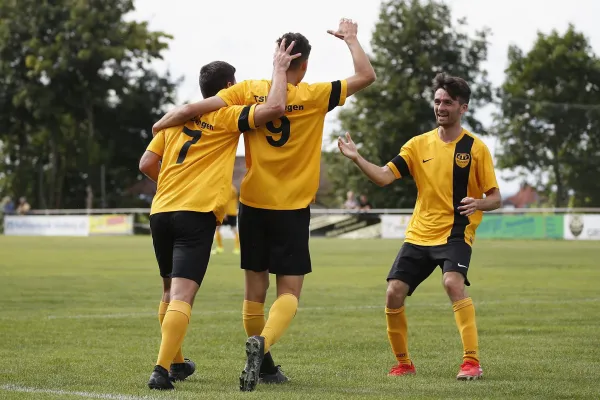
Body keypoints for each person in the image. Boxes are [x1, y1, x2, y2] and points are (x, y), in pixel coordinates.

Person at [152, 18, 376, 392]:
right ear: (304, 65)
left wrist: (165, 121)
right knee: (288, 292)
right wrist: (351, 40)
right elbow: (366, 75)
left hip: (252, 204)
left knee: (253, 294)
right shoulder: (317, 94)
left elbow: (197, 108)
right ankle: (263, 346)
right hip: (291, 207)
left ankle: (266, 365)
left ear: (277, 56)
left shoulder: (248, 90)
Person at [138, 39, 299, 390]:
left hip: (161, 211)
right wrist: (279, 69)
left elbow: (147, 163)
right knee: (182, 294)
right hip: (195, 214)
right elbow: (274, 108)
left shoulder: (175, 120)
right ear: (229, 88)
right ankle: (161, 370)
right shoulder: (228, 116)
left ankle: (178, 362)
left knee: (168, 291)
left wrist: (172, 184)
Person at [337, 73, 501, 381]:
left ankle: (471, 362)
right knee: (393, 293)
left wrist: (478, 203)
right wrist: (357, 158)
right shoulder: (417, 145)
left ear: (462, 108)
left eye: (448, 103)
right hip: (419, 235)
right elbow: (385, 176)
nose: (441, 107)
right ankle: (404, 364)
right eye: (437, 101)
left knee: (453, 284)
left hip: (455, 233)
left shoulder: (475, 148)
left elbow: (496, 198)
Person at [212, 184, 240, 255]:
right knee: (234, 229)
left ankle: (220, 247)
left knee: (218, 228)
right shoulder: (233, 188)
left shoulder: (228, 188)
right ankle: (237, 248)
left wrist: (224, 213)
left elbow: (225, 201)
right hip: (233, 212)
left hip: (227, 213)